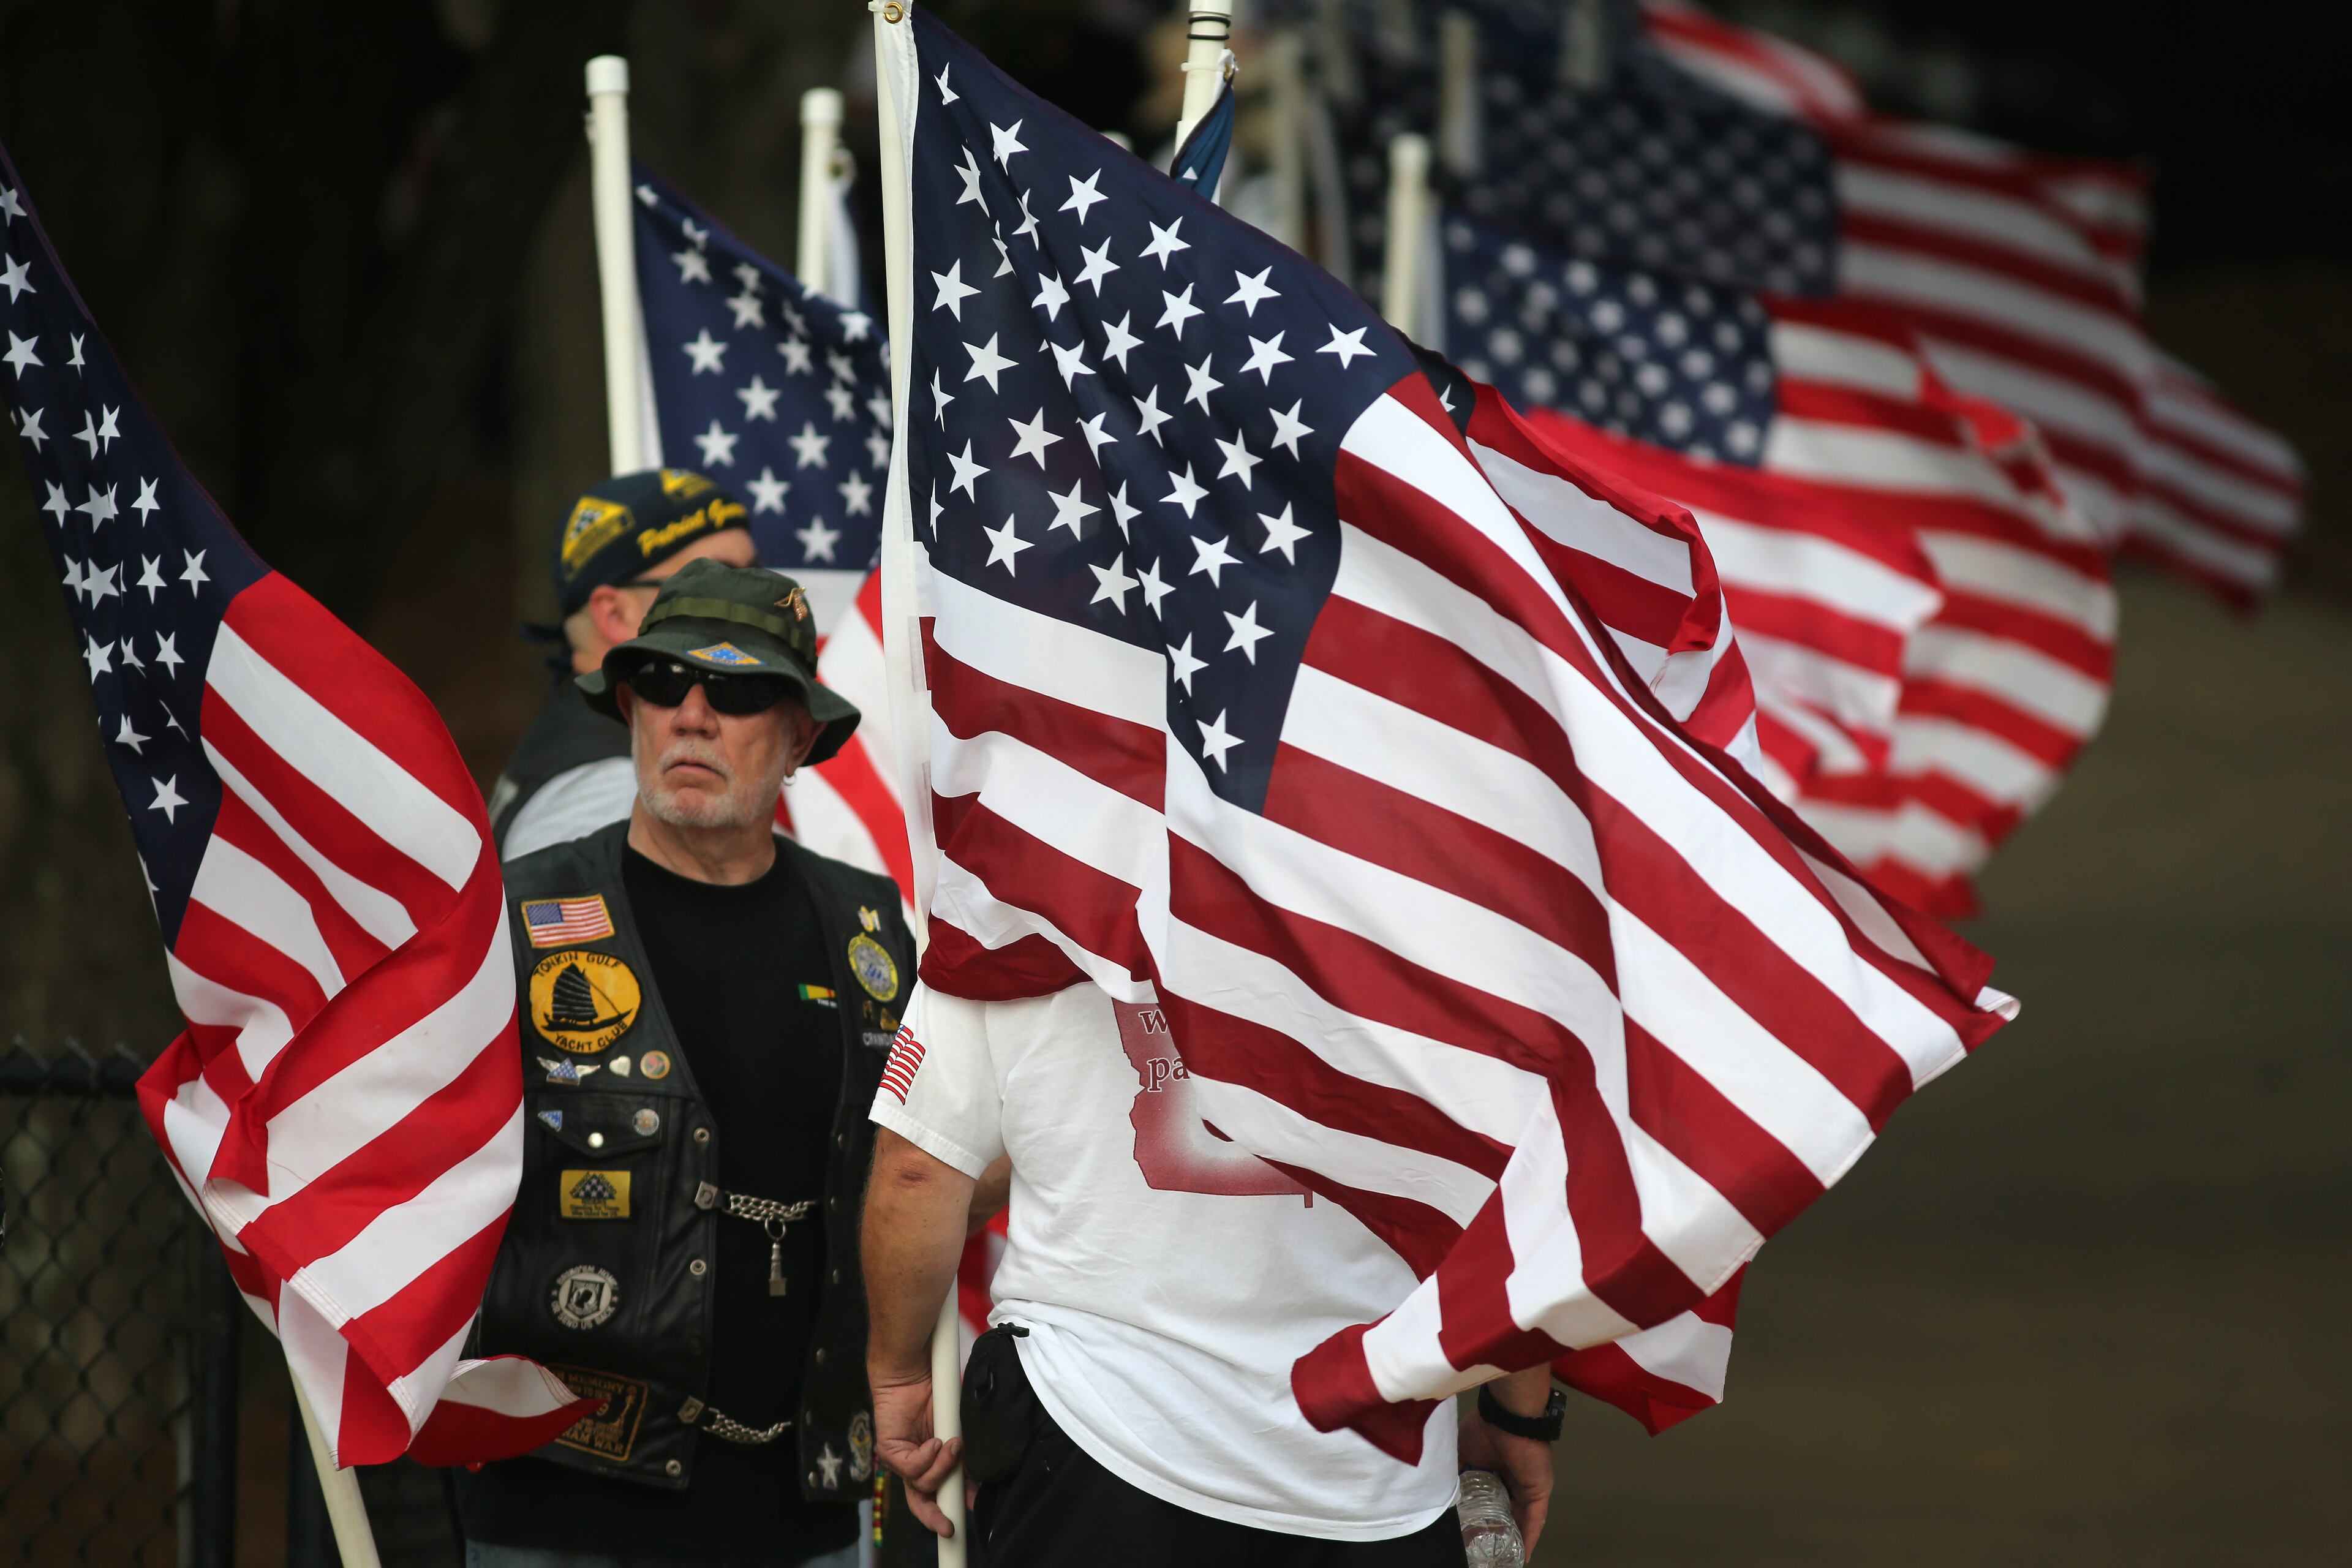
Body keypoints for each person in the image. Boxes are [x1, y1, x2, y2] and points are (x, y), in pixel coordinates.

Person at [462, 560, 916, 1568]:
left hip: (800, 1519)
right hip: (564, 1513)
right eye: (664, 684)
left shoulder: (869, 931)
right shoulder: (517, 920)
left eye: (742, 691)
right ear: (629, 706)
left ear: (801, 734)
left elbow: (932, 1163)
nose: (694, 715)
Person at [862, 987, 1562, 1567]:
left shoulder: (1017, 861)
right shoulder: (1426, 871)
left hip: (1100, 1441)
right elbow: (1519, 1177)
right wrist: (1517, 1412)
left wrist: (897, 1373)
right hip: (1373, 1476)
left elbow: (917, 1169)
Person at [489, 468, 758, 861]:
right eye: (721, 582)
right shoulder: (606, 795)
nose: (758, 608)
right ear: (614, 615)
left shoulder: (595, 749)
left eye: (758, 578)